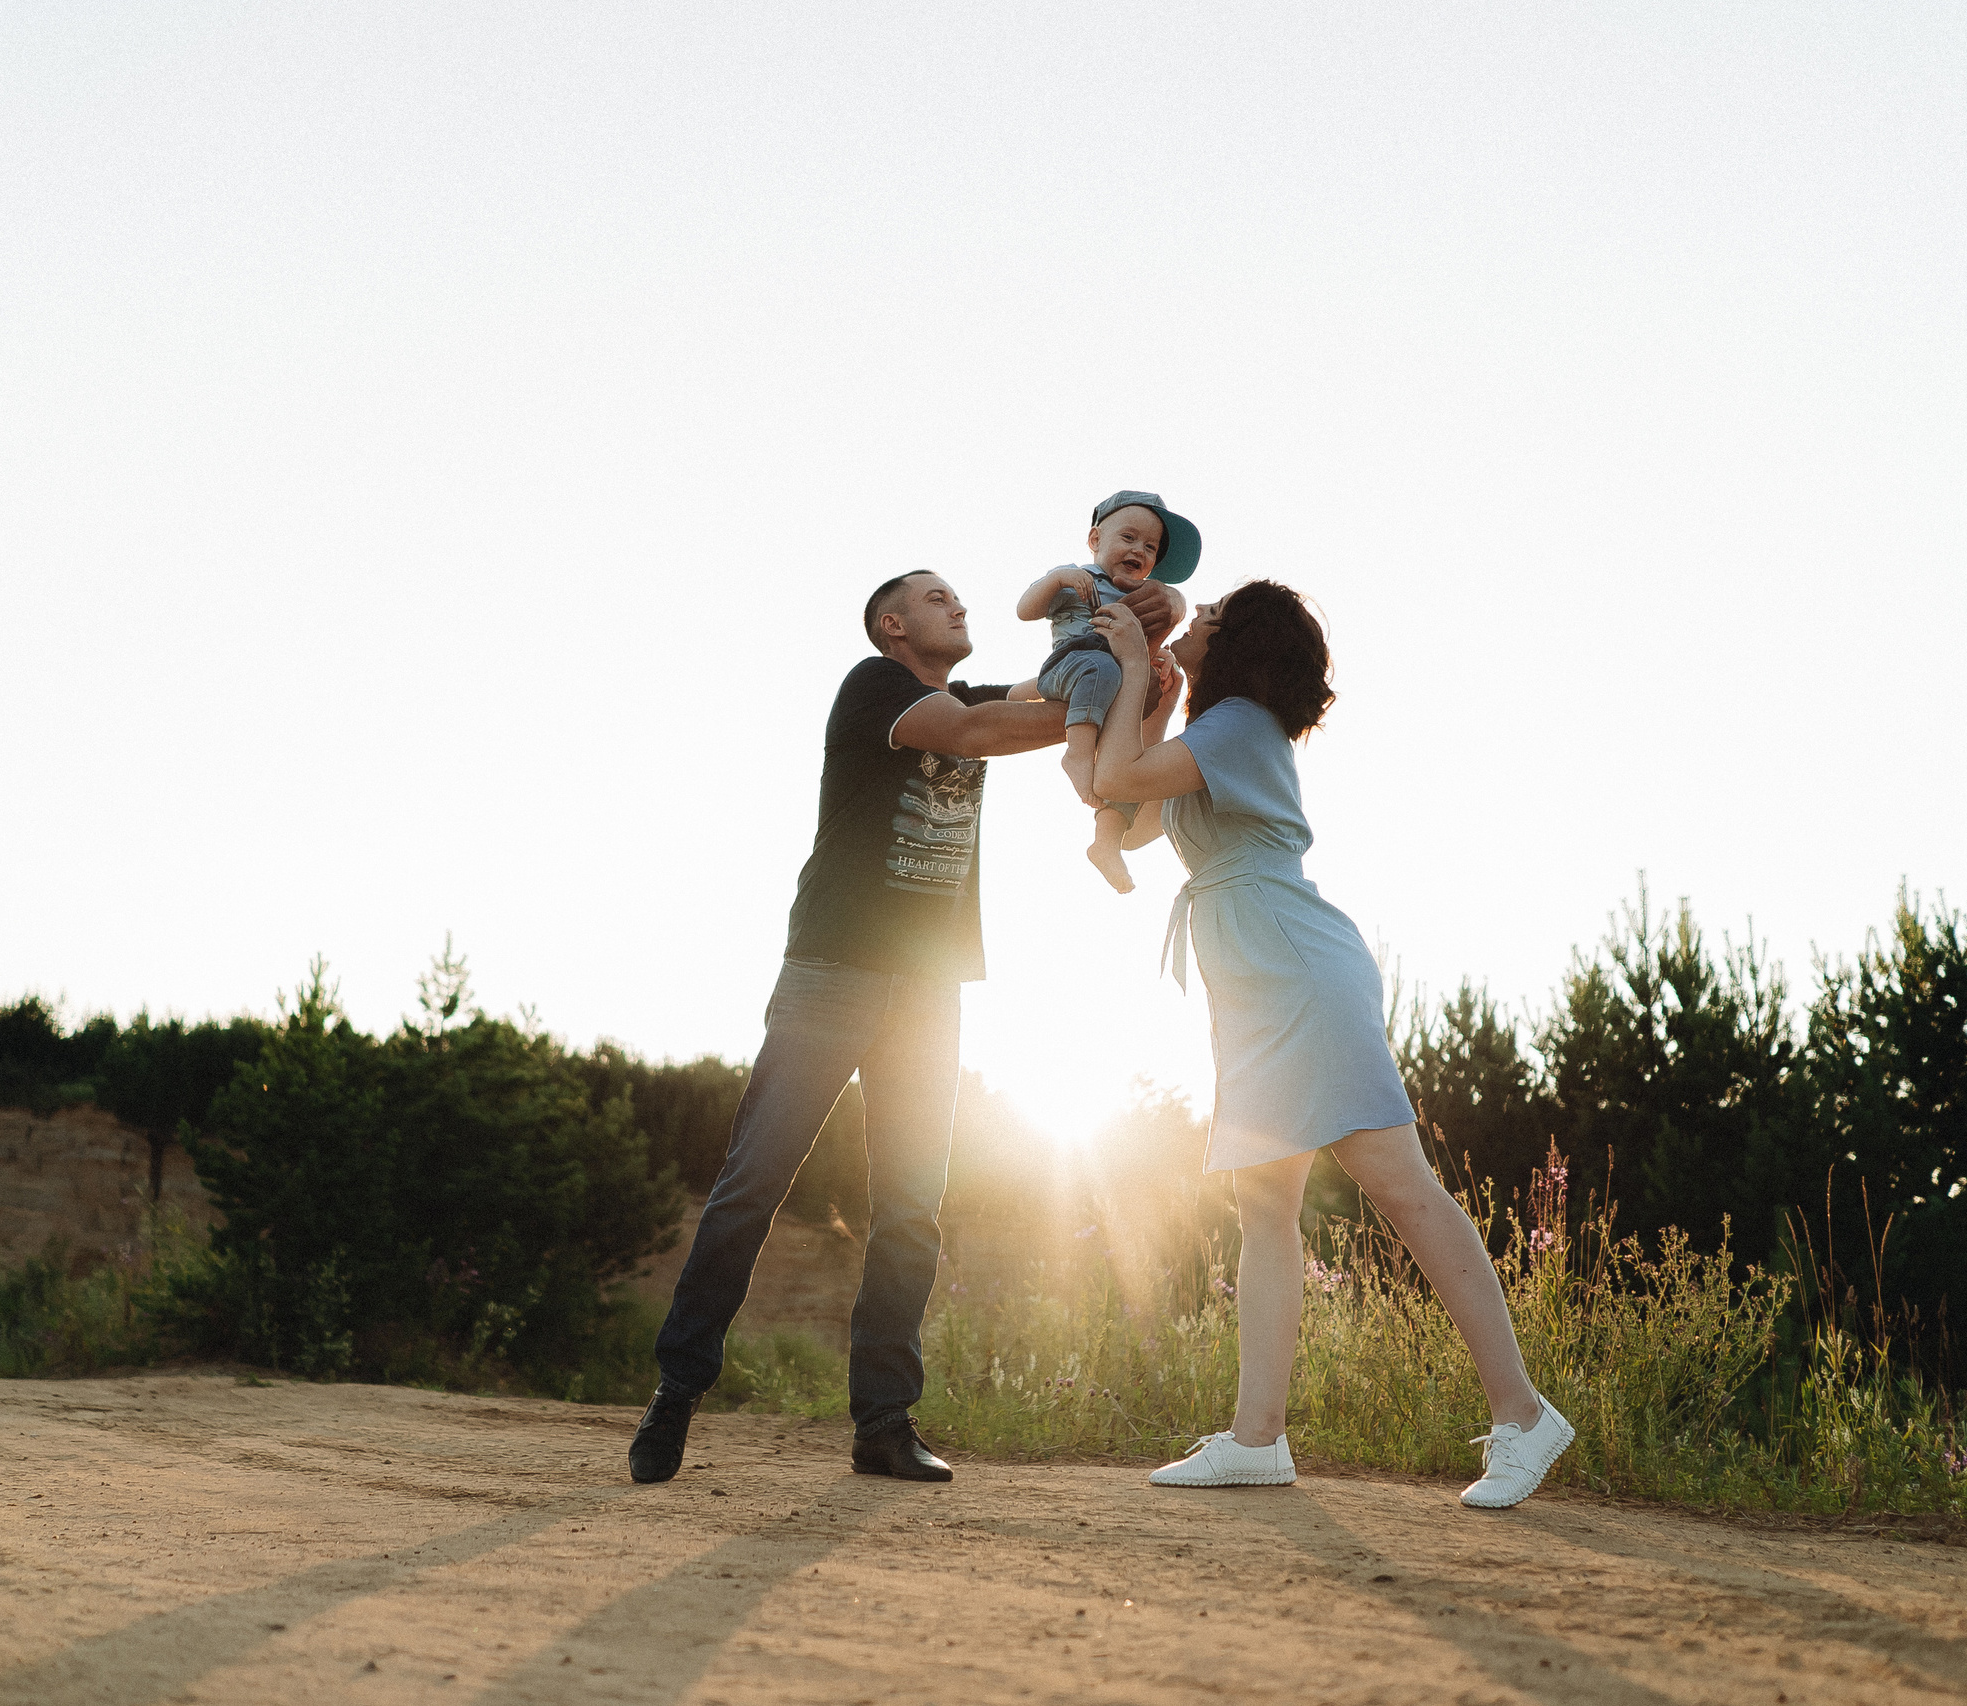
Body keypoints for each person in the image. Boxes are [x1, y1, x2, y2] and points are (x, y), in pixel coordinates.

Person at [630, 567, 1179, 1486]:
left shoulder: (971, 697)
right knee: (751, 1186)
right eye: (935, 600)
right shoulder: (875, 687)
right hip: (833, 973)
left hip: (929, 988)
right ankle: (676, 1394)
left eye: (958, 598)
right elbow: (976, 732)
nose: (958, 605)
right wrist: (1105, 688)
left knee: (912, 1210)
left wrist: (1140, 661)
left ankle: (883, 1424)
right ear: (892, 625)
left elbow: (1050, 719)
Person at [1088, 583, 1576, 1509]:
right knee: (1265, 1208)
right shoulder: (1219, 735)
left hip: (1295, 973)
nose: (1190, 623)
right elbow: (1120, 803)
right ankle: (1257, 1437)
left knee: (1401, 1188)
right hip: (1264, 977)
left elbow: (1116, 784)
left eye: (1211, 618)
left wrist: (1122, 672)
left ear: (1238, 646)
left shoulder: (1236, 725)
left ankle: (1523, 1415)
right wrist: (1140, 692)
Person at [1013, 490, 1199, 895]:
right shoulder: (1078, 578)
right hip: (1073, 665)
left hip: (1112, 687)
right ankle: (1077, 752)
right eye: (1129, 538)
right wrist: (1056, 579)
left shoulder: (1146, 598)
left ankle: (1106, 843)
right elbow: (1025, 610)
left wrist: (1159, 659)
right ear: (1095, 540)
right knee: (1097, 664)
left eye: (1150, 547)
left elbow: (1140, 655)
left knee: (1133, 762)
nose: (1139, 550)